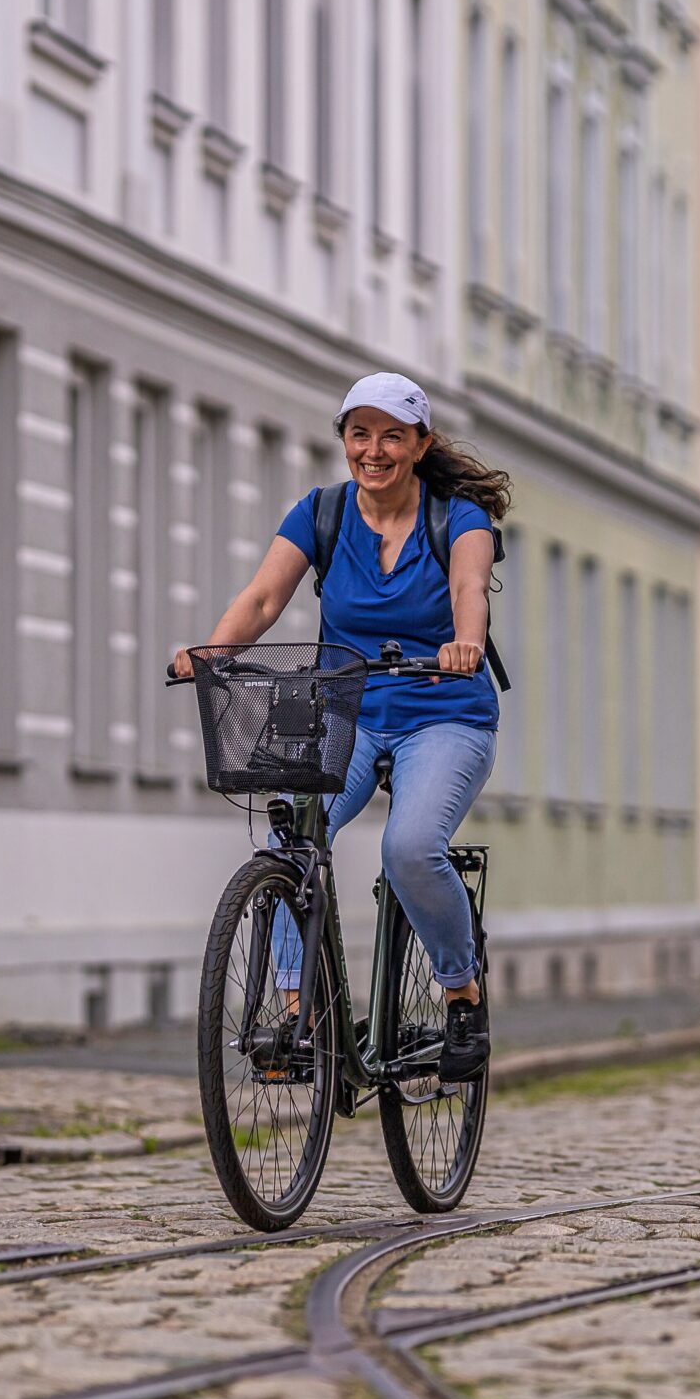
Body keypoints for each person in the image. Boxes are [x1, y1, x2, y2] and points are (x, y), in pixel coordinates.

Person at [178, 371, 506, 1081]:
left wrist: (466, 642)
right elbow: (264, 596)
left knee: (412, 846)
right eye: (360, 433)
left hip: (444, 712)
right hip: (349, 713)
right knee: (295, 831)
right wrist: (213, 652)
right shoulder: (322, 514)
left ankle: (460, 989)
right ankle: (304, 1013)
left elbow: (467, 586)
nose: (374, 449)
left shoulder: (458, 517)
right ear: (345, 442)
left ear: (419, 444)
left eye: (392, 434)